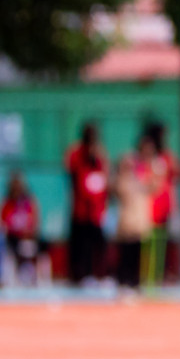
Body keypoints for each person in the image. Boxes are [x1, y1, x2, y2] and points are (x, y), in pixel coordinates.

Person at [65, 124, 110, 285]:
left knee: (99, 244)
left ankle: (99, 275)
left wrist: (99, 156)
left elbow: (105, 177)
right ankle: (80, 275)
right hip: (81, 209)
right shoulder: (77, 154)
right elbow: (72, 173)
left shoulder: (99, 155)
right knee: (80, 245)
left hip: (96, 211)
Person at [114, 141, 155, 291]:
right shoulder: (122, 181)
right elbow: (119, 190)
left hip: (138, 225)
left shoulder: (139, 180)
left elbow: (153, 186)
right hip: (127, 225)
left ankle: (135, 282)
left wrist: (150, 164)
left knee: (136, 256)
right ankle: (124, 281)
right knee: (125, 256)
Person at [0, 171, 41, 286]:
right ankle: (16, 273)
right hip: (13, 237)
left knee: (31, 244)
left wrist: (28, 232)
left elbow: (35, 223)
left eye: (20, 185)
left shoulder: (30, 202)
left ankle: (30, 273)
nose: (18, 189)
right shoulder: (7, 203)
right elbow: (3, 223)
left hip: (28, 236)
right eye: (15, 186)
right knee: (12, 244)